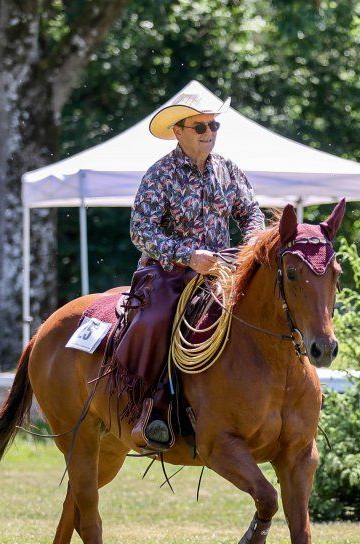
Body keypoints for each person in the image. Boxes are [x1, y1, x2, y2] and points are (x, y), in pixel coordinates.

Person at [119, 91, 265, 449]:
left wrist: (250, 246)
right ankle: (152, 409)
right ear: (178, 131)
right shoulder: (161, 174)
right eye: (199, 126)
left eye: (213, 124)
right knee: (156, 322)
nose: (208, 131)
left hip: (222, 270)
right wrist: (186, 255)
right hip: (167, 273)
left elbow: (252, 213)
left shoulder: (227, 169)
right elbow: (141, 230)